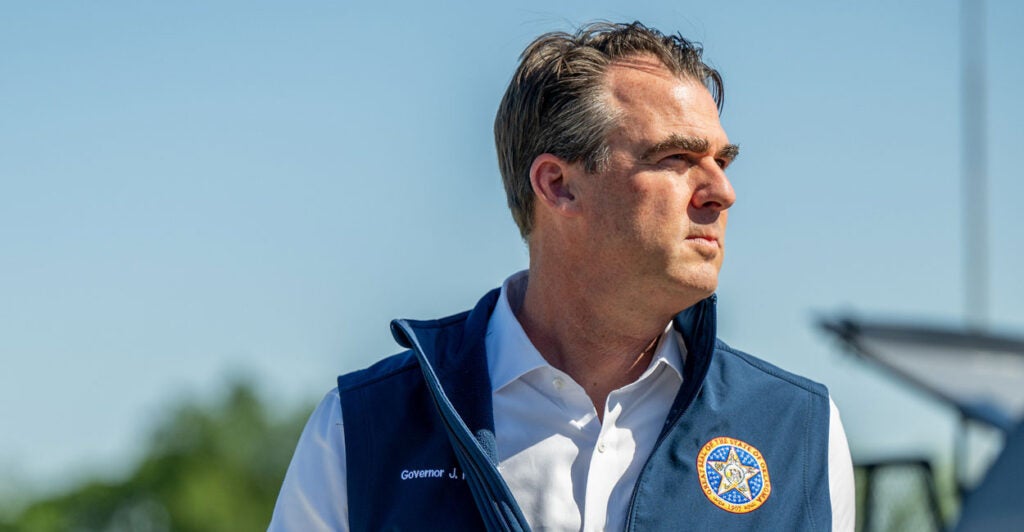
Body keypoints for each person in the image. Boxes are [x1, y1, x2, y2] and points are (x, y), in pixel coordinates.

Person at [269, 21, 855, 531]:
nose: (722, 192)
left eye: (721, 161)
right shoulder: (360, 428)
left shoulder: (799, 434)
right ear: (558, 185)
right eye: (677, 158)